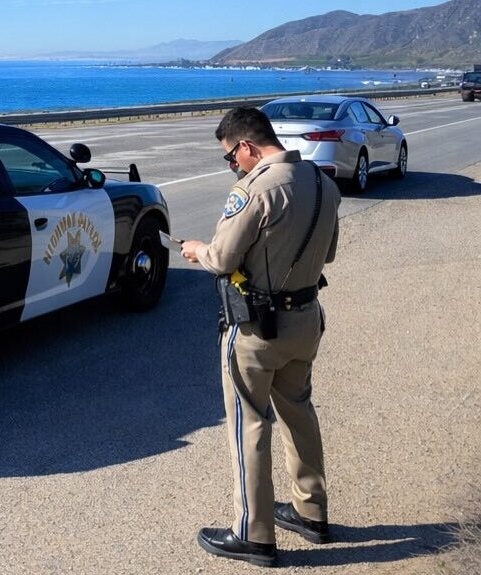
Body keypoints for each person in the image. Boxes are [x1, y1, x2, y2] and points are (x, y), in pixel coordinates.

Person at [179, 107, 341, 567]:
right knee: (299, 413)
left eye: (231, 157)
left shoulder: (255, 189)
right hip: (305, 318)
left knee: (248, 424)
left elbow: (222, 259)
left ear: (247, 146)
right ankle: (311, 511)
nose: (233, 165)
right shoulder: (323, 183)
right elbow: (328, 253)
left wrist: (197, 249)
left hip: (256, 327)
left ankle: (253, 533)